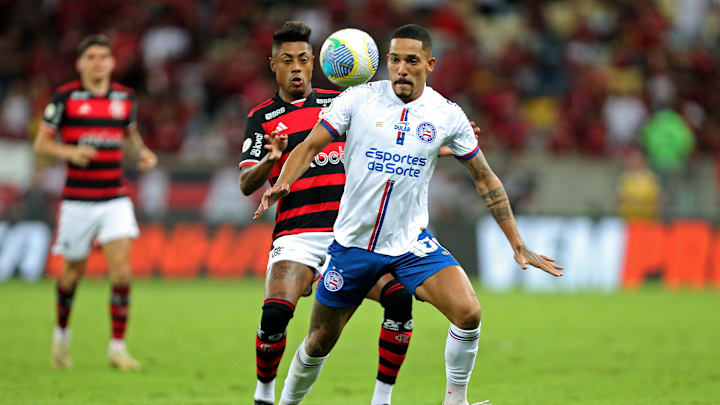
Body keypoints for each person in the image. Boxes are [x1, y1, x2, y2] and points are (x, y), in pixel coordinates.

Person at [254, 24, 564, 405]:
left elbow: (485, 179)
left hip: (409, 244)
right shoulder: (357, 101)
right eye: (395, 60)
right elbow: (308, 146)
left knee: (468, 313)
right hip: (353, 246)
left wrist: (518, 243)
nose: (401, 68)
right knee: (318, 341)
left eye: (411, 61)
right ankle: (285, 402)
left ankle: (455, 401)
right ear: (386, 62)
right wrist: (284, 181)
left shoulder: (447, 115)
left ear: (429, 64)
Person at [240, 22, 431, 405]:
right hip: (297, 233)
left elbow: (396, 137)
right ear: (272, 64)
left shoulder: (343, 103)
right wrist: (271, 161)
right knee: (276, 314)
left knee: (398, 298)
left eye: (303, 59)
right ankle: (264, 395)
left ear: (315, 62)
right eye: (287, 60)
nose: (296, 67)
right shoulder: (261, 117)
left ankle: (381, 399)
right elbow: (247, 183)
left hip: (351, 236)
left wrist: (440, 143)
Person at [34, 34, 157, 371]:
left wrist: (142, 153)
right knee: (71, 275)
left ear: (112, 62)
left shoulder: (124, 97)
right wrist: (70, 151)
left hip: (115, 196)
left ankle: (117, 348)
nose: (99, 62)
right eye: (92, 57)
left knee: (122, 273)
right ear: (81, 63)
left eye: (104, 56)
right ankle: (61, 336)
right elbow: (41, 145)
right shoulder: (66, 97)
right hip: (77, 200)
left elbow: (129, 136)